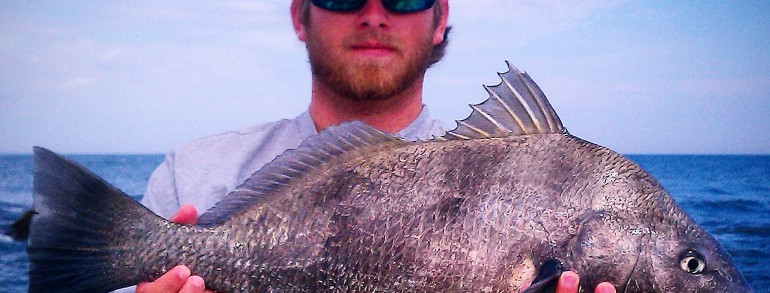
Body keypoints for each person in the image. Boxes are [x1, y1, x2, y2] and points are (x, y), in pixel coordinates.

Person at [126, 1, 616, 292]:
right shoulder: (186, 175)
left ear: (439, 17)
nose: (374, 14)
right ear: (301, 15)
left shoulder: (530, 159)